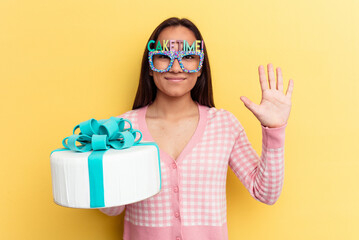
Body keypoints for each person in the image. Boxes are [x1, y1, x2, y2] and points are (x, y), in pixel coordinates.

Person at [99, 17, 293, 240]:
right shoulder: (124, 129)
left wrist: (274, 129)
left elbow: (266, 193)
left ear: (200, 68)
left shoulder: (224, 125)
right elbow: (111, 209)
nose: (175, 66)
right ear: (149, 68)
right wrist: (102, 162)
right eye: (163, 56)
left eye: (188, 56)